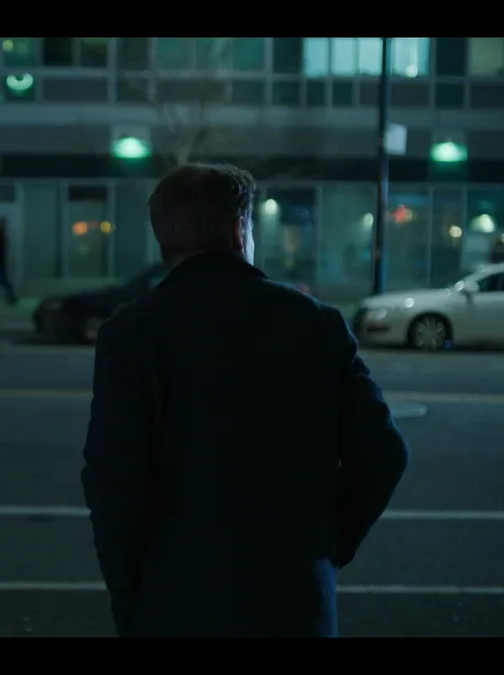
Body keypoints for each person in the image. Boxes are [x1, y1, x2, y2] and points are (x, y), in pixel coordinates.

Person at [80, 163, 409, 638]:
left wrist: (132, 598)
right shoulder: (314, 323)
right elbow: (384, 451)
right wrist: (326, 543)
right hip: (293, 601)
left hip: (175, 600)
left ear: (163, 239)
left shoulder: (130, 335)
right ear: (240, 230)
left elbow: (114, 484)